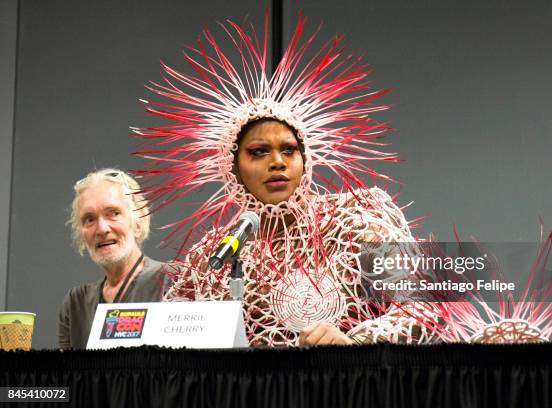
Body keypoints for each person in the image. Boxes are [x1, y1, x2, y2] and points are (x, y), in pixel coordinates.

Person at [135, 13, 436, 347]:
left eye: (289, 150)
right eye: (259, 152)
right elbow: (166, 334)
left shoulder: (355, 224)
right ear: (232, 169)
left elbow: (423, 310)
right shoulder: (213, 256)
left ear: (305, 160)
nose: (277, 162)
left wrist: (353, 343)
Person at [58, 168, 172, 349]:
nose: (102, 228)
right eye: (89, 219)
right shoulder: (76, 304)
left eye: (114, 213)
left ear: (138, 223)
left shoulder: (171, 281)